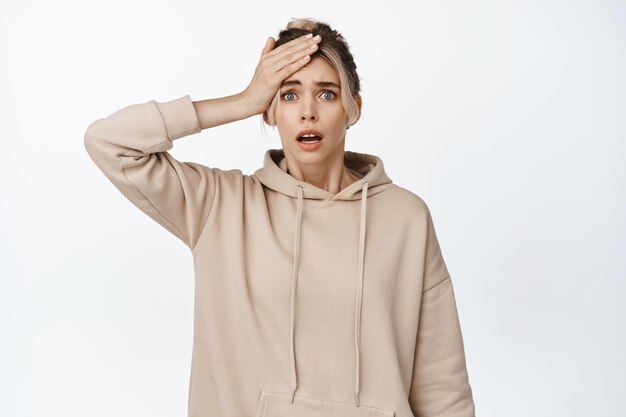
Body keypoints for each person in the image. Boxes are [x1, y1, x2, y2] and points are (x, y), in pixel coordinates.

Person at [84, 17, 476, 417]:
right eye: (288, 96)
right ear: (270, 112)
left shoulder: (405, 218)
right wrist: (243, 101)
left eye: (326, 94)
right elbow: (109, 143)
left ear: (353, 109)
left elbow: (441, 384)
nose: (307, 112)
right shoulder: (220, 206)